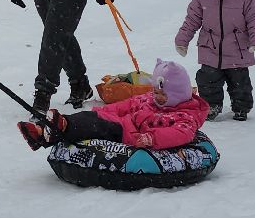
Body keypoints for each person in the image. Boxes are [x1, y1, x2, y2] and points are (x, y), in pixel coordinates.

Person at [16, 59, 209, 151]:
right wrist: (103, 111)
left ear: (177, 93)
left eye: (162, 94)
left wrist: (152, 138)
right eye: (155, 91)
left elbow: (181, 133)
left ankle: (58, 125)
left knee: (91, 126)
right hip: (118, 121)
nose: (156, 96)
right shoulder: (149, 99)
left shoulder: (185, 116)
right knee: (90, 119)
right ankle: (41, 133)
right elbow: (125, 105)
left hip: (126, 134)